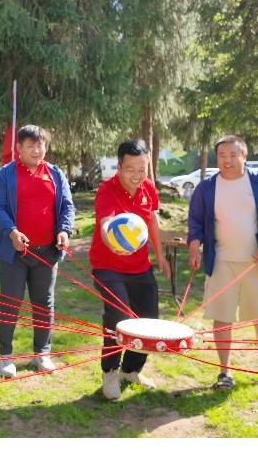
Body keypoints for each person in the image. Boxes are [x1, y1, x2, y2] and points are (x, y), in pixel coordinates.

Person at [188, 136, 258, 388]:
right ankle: (225, 373)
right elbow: (195, 224)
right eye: (222, 156)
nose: (227, 161)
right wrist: (194, 249)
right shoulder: (206, 188)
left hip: (257, 263)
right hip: (221, 263)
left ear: (244, 156)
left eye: (232, 155)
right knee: (222, 318)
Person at [0, 124, 75, 378]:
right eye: (31, 146)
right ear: (19, 148)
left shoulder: (56, 174)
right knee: (10, 302)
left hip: (47, 253)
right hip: (14, 254)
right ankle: (5, 357)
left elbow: (67, 207)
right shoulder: (4, 175)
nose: (37, 150)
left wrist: (64, 231)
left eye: (41, 145)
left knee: (44, 303)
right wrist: (12, 232)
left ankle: (42, 354)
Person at [89, 139, 170, 400]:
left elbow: (153, 222)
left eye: (142, 169)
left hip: (140, 267)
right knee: (119, 317)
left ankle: (130, 370)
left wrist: (160, 256)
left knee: (148, 319)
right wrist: (110, 238)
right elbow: (106, 221)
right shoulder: (107, 190)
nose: (137, 175)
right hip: (107, 266)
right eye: (130, 169)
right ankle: (110, 372)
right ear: (120, 166)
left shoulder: (147, 187)